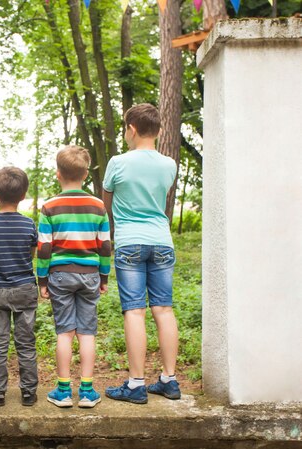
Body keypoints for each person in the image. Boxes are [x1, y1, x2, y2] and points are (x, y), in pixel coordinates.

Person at [102, 103, 180, 404]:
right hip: (162, 241)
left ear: (131, 129)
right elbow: (158, 198)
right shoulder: (169, 164)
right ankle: (169, 380)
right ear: (159, 130)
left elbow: (106, 205)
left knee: (134, 310)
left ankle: (136, 384)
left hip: (130, 242)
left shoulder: (117, 163)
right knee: (164, 309)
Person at [37, 145, 111, 408]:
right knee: (87, 333)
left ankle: (63, 390)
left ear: (58, 174)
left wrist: (42, 280)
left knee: (65, 333)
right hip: (90, 275)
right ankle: (88, 392)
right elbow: (104, 246)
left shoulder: (49, 207)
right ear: (86, 175)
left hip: (60, 276)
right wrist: (104, 277)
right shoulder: (98, 206)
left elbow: (44, 248)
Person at [0, 167, 39, 407]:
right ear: (23, 195)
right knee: (26, 342)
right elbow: (31, 254)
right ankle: (28, 393)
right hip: (25, 288)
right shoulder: (28, 225)